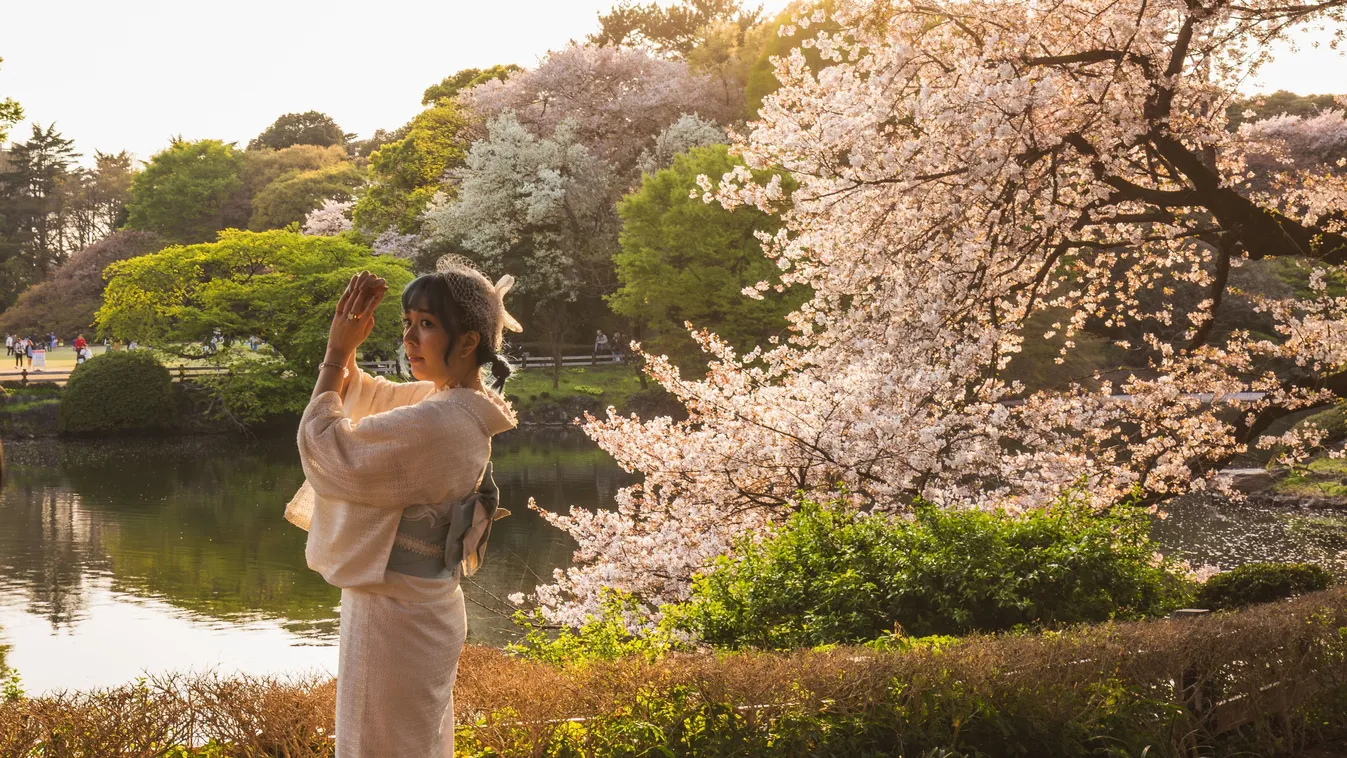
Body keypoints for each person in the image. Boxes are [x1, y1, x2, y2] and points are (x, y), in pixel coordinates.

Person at [285, 261, 523, 757]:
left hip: (395, 614)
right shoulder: (452, 403)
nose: (410, 339)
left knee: (379, 746)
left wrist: (335, 353)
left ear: (467, 342)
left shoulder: (441, 420)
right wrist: (345, 352)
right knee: (411, 743)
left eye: (427, 324)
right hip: (417, 604)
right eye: (407, 324)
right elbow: (374, 398)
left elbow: (328, 449)